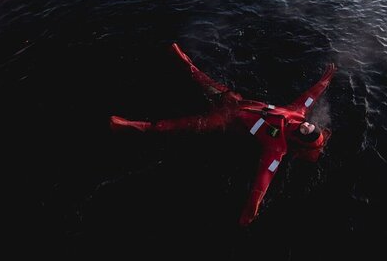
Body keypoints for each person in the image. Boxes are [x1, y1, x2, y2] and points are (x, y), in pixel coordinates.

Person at [110, 42, 336, 226]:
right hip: (234, 101)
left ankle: (135, 125)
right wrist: (325, 80)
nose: (305, 126)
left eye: (305, 131)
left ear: (300, 140)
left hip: (225, 120)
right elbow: (310, 97)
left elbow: (263, 179)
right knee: (203, 78)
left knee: (180, 124)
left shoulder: (277, 149)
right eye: (309, 125)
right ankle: (182, 59)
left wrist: (252, 207)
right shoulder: (297, 113)